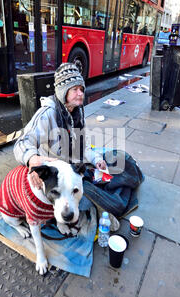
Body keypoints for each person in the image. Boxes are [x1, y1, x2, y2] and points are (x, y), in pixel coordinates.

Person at [13, 62, 124, 229]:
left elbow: (84, 147)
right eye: (75, 89)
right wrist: (32, 160)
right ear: (63, 91)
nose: (80, 94)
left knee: (120, 159)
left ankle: (104, 203)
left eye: (82, 89)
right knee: (91, 196)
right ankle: (104, 208)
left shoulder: (78, 113)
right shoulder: (47, 114)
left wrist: (96, 159)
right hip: (59, 177)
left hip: (75, 168)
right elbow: (22, 143)